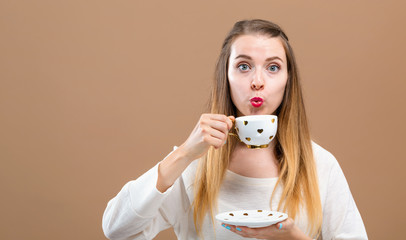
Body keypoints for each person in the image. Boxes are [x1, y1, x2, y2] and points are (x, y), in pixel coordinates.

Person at [102, 19, 368, 240]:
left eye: (273, 67)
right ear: (225, 77)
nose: (257, 82)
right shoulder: (195, 165)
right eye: (244, 66)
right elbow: (117, 230)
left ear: (288, 81)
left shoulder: (320, 164)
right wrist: (183, 154)